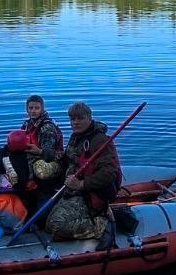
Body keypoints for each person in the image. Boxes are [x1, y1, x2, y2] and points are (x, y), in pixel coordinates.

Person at [45, 101, 123, 247]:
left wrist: (81, 184)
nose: (75, 122)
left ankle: (100, 225)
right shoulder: (76, 137)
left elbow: (109, 174)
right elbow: (67, 158)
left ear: (89, 117)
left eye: (80, 118)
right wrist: (43, 154)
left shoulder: (100, 141)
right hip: (72, 190)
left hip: (89, 193)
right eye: (72, 119)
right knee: (48, 224)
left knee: (56, 226)